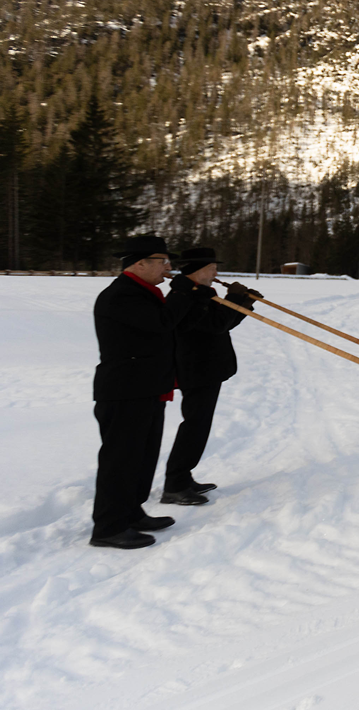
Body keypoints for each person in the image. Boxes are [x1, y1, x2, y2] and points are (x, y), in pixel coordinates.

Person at [89, 235, 207, 549]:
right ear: (140, 264)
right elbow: (162, 322)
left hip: (147, 389)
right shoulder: (121, 295)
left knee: (142, 459)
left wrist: (196, 295)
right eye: (163, 262)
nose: (168, 268)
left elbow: (175, 323)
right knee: (121, 460)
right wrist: (183, 289)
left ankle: (130, 512)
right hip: (124, 392)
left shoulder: (145, 292)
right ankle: (109, 527)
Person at [162, 248, 258, 505]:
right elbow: (216, 324)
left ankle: (182, 477)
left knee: (199, 425)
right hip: (196, 369)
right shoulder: (185, 296)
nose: (216, 273)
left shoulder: (203, 293)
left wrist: (244, 304)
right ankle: (175, 484)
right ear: (198, 270)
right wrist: (236, 300)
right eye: (212, 268)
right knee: (194, 425)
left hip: (208, 368)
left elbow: (223, 323)